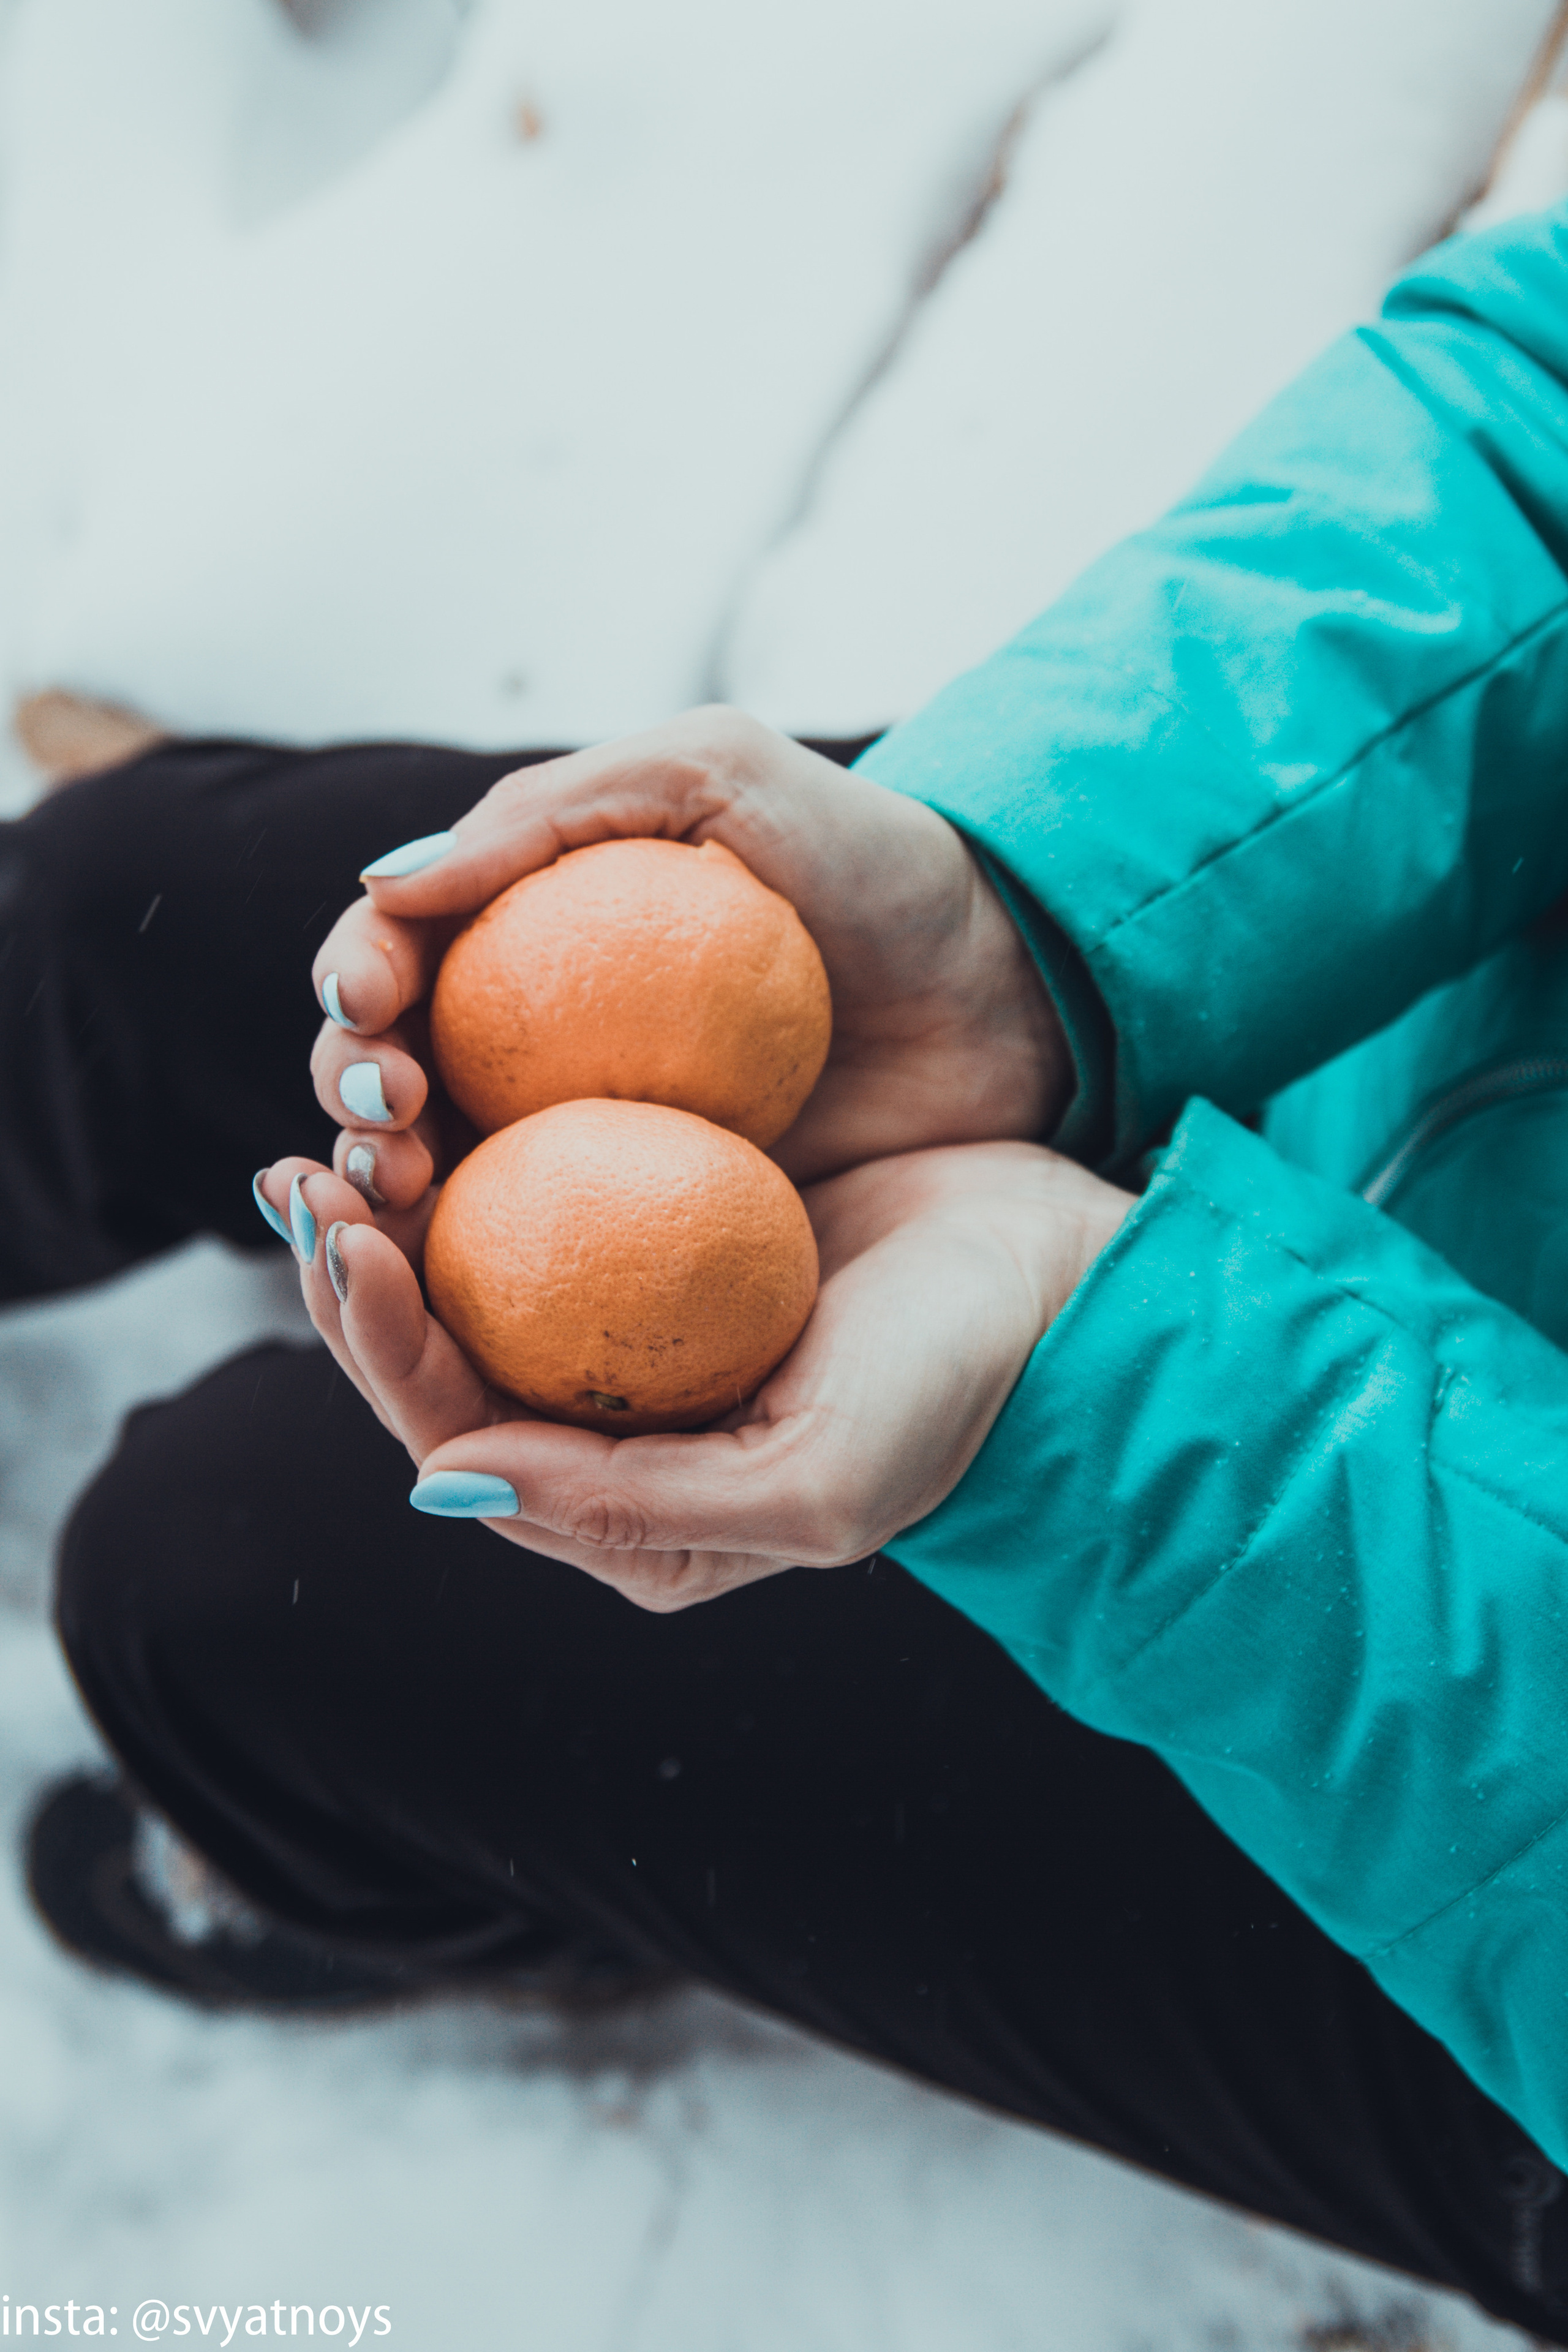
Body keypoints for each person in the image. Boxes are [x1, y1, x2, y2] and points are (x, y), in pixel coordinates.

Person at [19, 194, 1568, 2340]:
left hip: (1476, 1841)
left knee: (222, 1584)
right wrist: (1033, 907)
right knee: (119, 922)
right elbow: (1546, 418)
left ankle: (491, 1871)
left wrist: (1116, 1386)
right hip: (1388, 961)